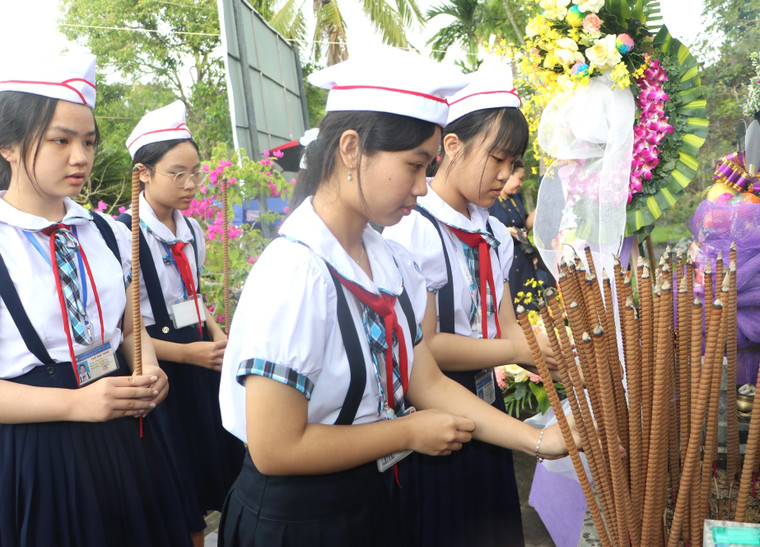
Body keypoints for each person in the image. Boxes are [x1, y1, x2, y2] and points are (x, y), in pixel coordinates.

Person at [218, 48, 577, 547]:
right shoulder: (295, 272)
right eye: (413, 166)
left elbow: (424, 378)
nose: (420, 186)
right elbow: (275, 447)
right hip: (298, 521)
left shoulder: (384, 258)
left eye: (427, 167)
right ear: (351, 148)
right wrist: (406, 433)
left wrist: (539, 440)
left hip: (366, 499)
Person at [0, 53, 191, 546]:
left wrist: (148, 367)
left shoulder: (105, 231)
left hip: (126, 432)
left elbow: (130, 323)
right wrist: (76, 404)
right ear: (9, 145)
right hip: (42, 449)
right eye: (60, 140)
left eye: (87, 141)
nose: (80, 157)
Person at [382, 58, 560, 547]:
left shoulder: (494, 231)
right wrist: (521, 351)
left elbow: (506, 327)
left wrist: (556, 356)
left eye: (513, 163)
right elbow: (430, 348)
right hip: (435, 408)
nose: (505, 176)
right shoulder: (414, 229)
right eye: (497, 159)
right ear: (452, 147)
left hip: (488, 400)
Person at [119, 101, 245, 547]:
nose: (191, 185)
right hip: (160, 371)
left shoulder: (191, 230)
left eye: (195, 173)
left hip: (200, 362)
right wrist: (189, 353)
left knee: (218, 461)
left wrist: (214, 332)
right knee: (178, 480)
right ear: (143, 174)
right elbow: (125, 331)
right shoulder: (122, 235)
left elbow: (193, 298)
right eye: (178, 174)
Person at [488, 160, 554, 301]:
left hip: (524, 259)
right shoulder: (490, 201)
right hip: (505, 261)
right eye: (520, 178)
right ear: (508, 176)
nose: (521, 184)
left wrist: (542, 203)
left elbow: (525, 226)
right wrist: (506, 231)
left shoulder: (516, 198)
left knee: (530, 301)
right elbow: (485, 230)